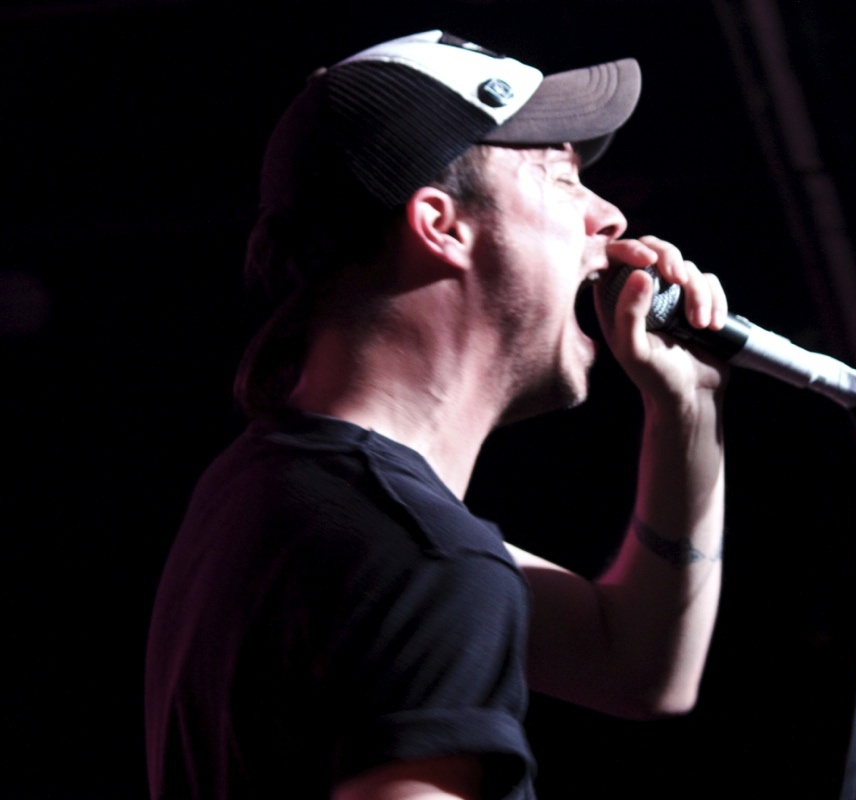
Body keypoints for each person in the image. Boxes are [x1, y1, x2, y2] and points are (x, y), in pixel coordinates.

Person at [145, 30, 729, 800]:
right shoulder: (416, 556)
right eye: (561, 179)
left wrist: (688, 409)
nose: (611, 217)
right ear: (441, 224)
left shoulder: (282, 492)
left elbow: (637, 668)